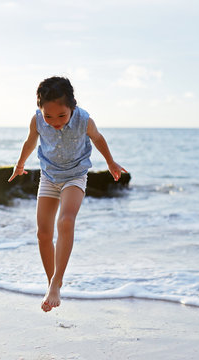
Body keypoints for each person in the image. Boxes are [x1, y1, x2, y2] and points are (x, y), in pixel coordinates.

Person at [8, 76, 127, 312]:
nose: (55, 122)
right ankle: (52, 282)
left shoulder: (84, 119)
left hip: (75, 176)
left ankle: (56, 282)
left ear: (72, 107)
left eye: (61, 116)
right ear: (40, 109)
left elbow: (98, 139)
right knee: (43, 233)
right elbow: (31, 141)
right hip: (49, 177)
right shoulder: (37, 120)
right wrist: (20, 164)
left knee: (66, 221)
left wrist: (111, 163)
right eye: (48, 116)